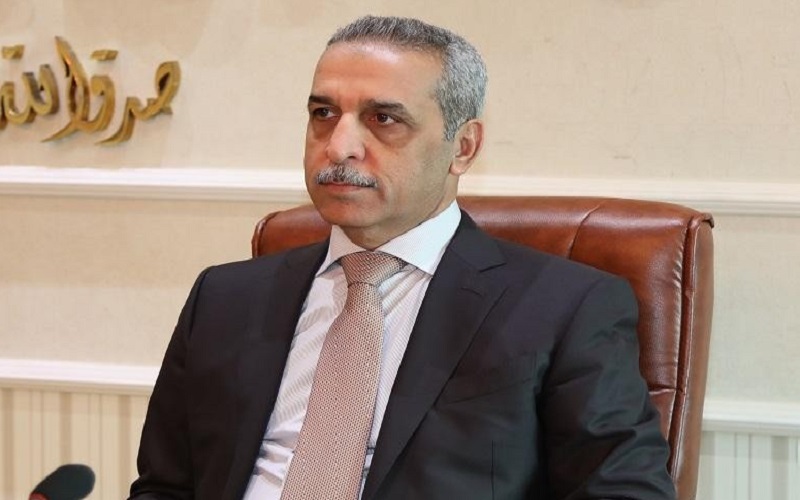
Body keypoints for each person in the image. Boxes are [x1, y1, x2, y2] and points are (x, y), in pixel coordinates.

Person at [130, 15, 676, 500]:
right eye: (323, 113)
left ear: (463, 147)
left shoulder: (563, 308)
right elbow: (164, 487)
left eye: (383, 119)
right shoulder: (224, 297)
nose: (338, 146)